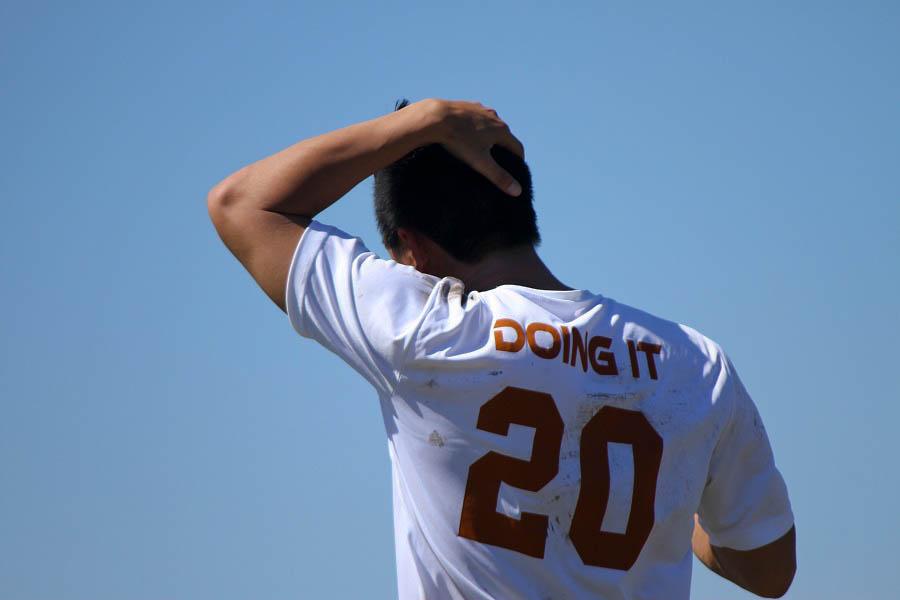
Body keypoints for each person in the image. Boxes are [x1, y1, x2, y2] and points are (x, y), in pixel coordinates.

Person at [207, 98, 796, 599]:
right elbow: (769, 569)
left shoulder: (424, 333)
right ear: (519, 204)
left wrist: (428, 119)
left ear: (410, 248)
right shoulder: (695, 365)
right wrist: (674, 508)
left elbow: (241, 204)